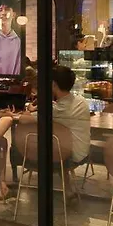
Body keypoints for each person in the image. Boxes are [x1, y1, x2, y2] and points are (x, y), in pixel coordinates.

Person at [24, 66, 91, 195]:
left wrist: (29, 110)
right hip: (83, 151)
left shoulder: (57, 110)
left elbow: (23, 119)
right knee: (56, 143)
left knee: (30, 146)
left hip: (69, 156)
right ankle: (68, 190)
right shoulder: (81, 101)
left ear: (54, 84)